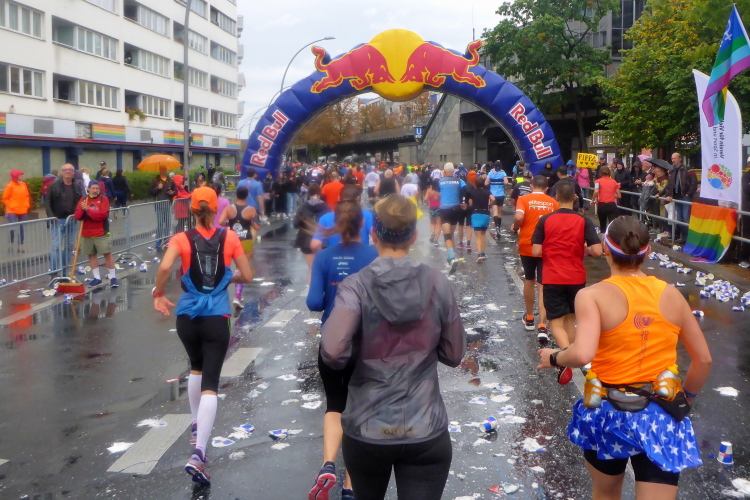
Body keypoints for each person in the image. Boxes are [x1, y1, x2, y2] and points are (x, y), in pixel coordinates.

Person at [537, 216, 712, 500]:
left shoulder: (591, 296)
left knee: (605, 493)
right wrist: (687, 398)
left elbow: (582, 353)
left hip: (608, 413)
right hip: (661, 412)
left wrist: (554, 357)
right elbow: (703, 360)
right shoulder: (672, 295)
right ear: (648, 251)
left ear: (606, 249)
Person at [320, 194, 466, 500]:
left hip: (367, 427)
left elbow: (333, 351)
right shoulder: (438, 282)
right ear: (413, 235)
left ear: (373, 234)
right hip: (426, 426)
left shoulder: (356, 286)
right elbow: (454, 354)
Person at [153, 186, 253, 485]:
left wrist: (159, 293)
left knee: (195, 366)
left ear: (192, 209)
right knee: (211, 380)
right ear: (216, 208)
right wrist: (227, 278)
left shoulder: (181, 238)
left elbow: (165, 266)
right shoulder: (230, 237)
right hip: (216, 316)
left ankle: (196, 423)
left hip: (187, 315)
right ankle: (199, 453)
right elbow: (247, 276)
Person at [306, 200, 378, 500]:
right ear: (363, 224)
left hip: (332, 341)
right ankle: (350, 483)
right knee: (359, 408)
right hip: (366, 342)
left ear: (336, 226)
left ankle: (328, 463)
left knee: (334, 404)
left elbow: (313, 302)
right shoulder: (374, 256)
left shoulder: (324, 257)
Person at [531, 181, 602, 373]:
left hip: (552, 276)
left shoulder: (545, 220)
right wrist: (584, 248)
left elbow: (536, 250)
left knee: (556, 322)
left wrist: (552, 248)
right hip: (576, 277)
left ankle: (565, 356)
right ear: (575, 197)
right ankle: (574, 358)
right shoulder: (584, 221)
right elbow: (597, 251)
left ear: (556, 197)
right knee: (571, 319)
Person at [512, 175, 558, 339]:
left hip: (527, 244)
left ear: (531, 186)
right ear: (546, 188)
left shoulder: (524, 199)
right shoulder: (553, 202)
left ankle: (530, 317)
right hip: (546, 246)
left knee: (529, 279)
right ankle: (542, 325)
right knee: (542, 285)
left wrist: (515, 227)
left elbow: (519, 217)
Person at [219, 186, 259, 308]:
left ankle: (235, 294)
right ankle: (237, 295)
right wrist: (250, 222)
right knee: (243, 267)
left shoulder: (229, 208)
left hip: (232, 240)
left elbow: (220, 222)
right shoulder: (251, 210)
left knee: (236, 266)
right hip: (246, 241)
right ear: (247, 197)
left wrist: (230, 223)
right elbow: (257, 227)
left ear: (236, 195)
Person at [75, 181, 117, 288]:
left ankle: (113, 277)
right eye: (93, 188)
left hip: (100, 232)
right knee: (91, 255)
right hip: (86, 233)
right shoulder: (83, 199)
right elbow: (78, 216)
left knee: (107, 254)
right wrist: (82, 210)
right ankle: (97, 278)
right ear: (88, 189)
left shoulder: (104, 199)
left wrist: (88, 209)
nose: (95, 190)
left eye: (97, 188)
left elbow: (102, 215)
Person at [312, 185, 373, 253]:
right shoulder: (367, 215)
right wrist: (372, 254)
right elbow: (377, 239)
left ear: (339, 198)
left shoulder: (325, 218)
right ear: (358, 198)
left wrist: (325, 257)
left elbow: (315, 245)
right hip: (362, 257)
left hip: (334, 258)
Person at [46, 164, 84, 271]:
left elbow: (80, 201)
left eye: (70, 170)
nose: (68, 171)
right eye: (66, 170)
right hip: (58, 220)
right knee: (56, 246)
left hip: (72, 220)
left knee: (69, 246)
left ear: (73, 172)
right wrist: (52, 217)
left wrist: (79, 214)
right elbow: (47, 201)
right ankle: (54, 270)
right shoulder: (54, 185)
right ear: (62, 172)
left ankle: (64, 269)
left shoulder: (76, 185)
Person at [294, 183, 331, 278]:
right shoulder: (326, 207)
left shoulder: (303, 206)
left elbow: (295, 224)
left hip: (306, 240)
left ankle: (312, 287)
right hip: (322, 241)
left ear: (309, 193)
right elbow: (331, 223)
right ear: (319, 193)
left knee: (311, 269)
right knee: (323, 270)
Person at [438, 163, 465, 272]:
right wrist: (463, 201)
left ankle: (451, 257)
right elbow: (466, 190)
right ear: (453, 171)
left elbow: (436, 196)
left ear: (444, 172)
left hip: (445, 209)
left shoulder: (440, 181)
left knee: (447, 235)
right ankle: (451, 256)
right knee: (451, 233)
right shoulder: (459, 181)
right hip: (456, 209)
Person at [668, 153, 698, 244]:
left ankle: (688, 238)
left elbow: (694, 182)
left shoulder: (687, 168)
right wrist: (669, 194)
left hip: (685, 196)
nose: (673, 160)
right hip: (676, 196)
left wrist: (689, 193)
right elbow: (670, 184)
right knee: (680, 219)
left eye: (675, 158)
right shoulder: (672, 170)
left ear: (680, 159)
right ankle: (684, 237)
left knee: (685, 218)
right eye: (672, 158)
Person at [3, 169, 31, 253]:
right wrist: (11, 206)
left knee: (22, 228)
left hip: (23, 210)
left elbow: (27, 196)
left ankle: (20, 246)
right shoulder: (10, 186)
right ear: (15, 176)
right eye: (20, 175)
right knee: (13, 228)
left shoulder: (23, 184)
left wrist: (27, 204)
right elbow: (5, 198)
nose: (22, 177)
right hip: (12, 211)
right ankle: (11, 244)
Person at [149, 165, 177, 249]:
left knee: (168, 223)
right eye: (162, 169)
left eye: (165, 169)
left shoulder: (170, 180)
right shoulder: (155, 180)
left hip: (168, 204)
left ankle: (167, 239)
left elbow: (176, 191)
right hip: (159, 205)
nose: (163, 171)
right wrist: (158, 188)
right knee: (160, 223)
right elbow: (150, 191)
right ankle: (159, 240)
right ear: (160, 170)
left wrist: (172, 193)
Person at [468, 173, 493, 262]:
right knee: (483, 234)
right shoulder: (487, 192)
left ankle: (479, 254)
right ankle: (483, 252)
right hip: (485, 213)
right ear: (483, 184)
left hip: (476, 213)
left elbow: (470, 203)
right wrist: (489, 205)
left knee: (477, 235)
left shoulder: (472, 192)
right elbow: (493, 198)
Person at [591, 166, 621, 233]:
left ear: (600, 173)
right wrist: (611, 195)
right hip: (612, 205)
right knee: (612, 226)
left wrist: (592, 200)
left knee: (602, 226)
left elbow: (596, 191)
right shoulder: (614, 182)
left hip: (602, 205)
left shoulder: (597, 181)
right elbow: (619, 195)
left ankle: (603, 238)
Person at [488, 160, 508, 238]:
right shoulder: (503, 173)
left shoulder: (490, 173)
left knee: (495, 212)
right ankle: (498, 228)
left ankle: (496, 227)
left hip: (493, 195)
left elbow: (486, 183)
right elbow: (506, 182)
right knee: (500, 213)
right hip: (501, 195)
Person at [425, 178, 442, 246]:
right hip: (439, 208)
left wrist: (428, 203)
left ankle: (432, 233)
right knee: (438, 224)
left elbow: (425, 199)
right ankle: (436, 240)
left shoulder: (429, 190)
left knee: (432, 223)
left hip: (432, 208)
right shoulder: (440, 190)